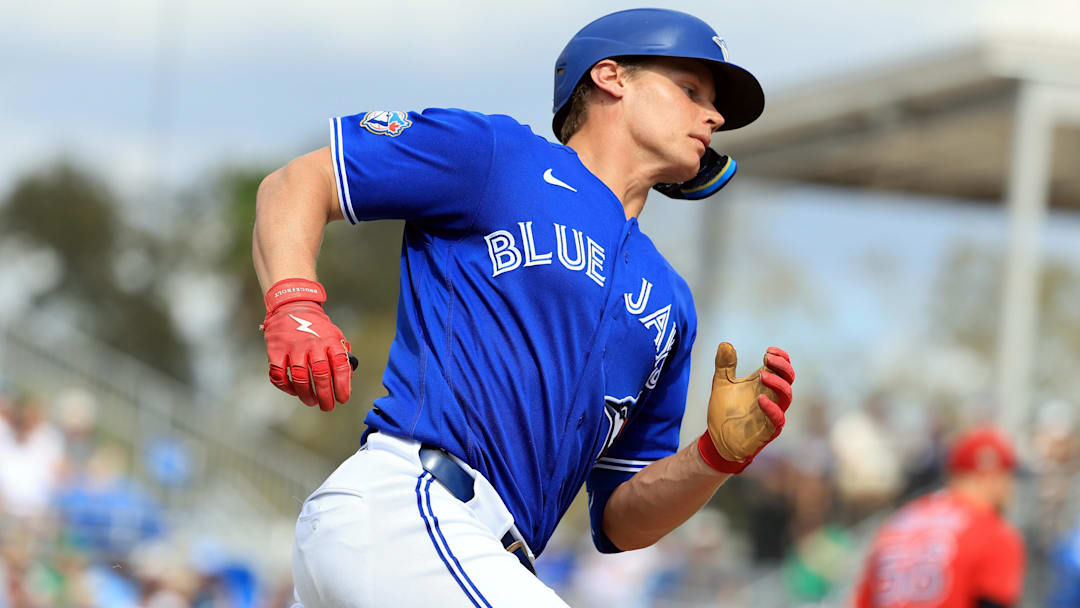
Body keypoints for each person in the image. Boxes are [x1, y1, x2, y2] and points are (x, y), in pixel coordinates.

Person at [253, 8, 795, 607]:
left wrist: (714, 456)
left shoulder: (670, 301)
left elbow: (620, 520)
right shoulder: (498, 156)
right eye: (690, 90)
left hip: (473, 556)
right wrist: (294, 301)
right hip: (408, 511)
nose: (713, 115)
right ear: (611, 76)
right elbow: (298, 182)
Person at [854, 426, 1026, 608]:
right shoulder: (992, 531)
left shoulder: (899, 521)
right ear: (994, 479)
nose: (1012, 490)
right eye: (1010, 478)